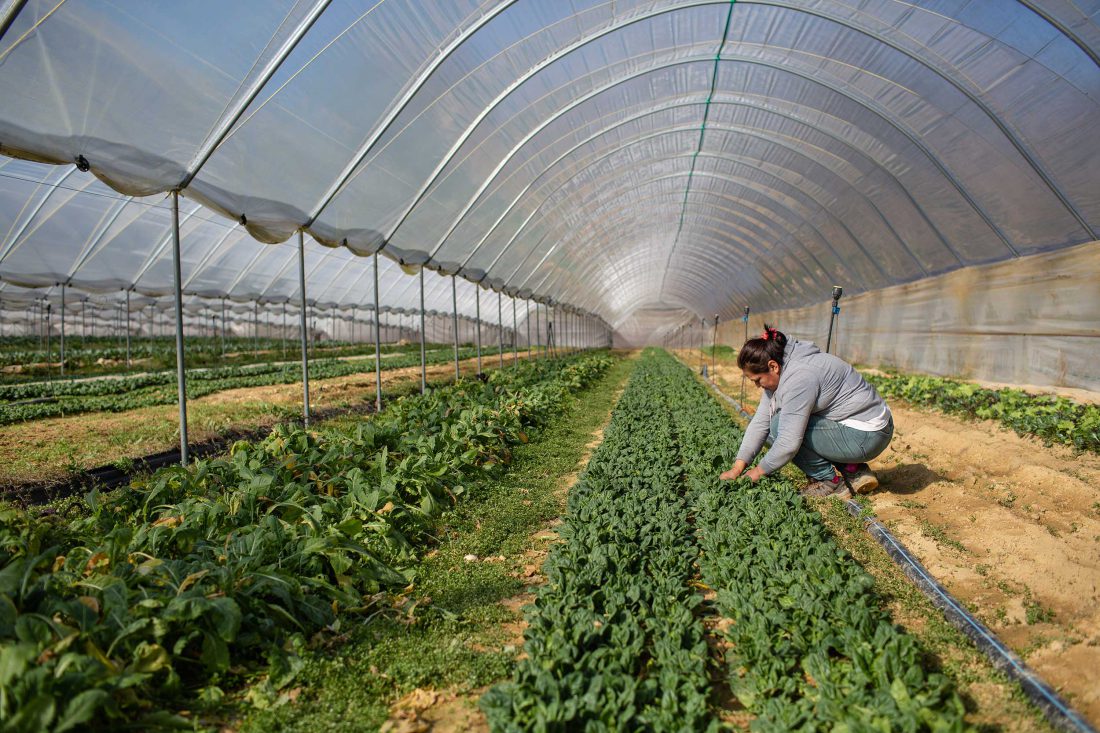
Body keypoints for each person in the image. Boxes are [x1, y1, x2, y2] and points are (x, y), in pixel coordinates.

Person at [719, 325, 893, 498]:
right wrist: (737, 467)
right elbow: (761, 422)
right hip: (856, 428)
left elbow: (789, 442)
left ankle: (828, 481)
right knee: (773, 427)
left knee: (780, 427)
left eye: (758, 380)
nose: (757, 386)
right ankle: (853, 469)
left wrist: (757, 473)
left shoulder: (800, 377)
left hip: (868, 435)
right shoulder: (783, 367)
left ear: (772, 366)